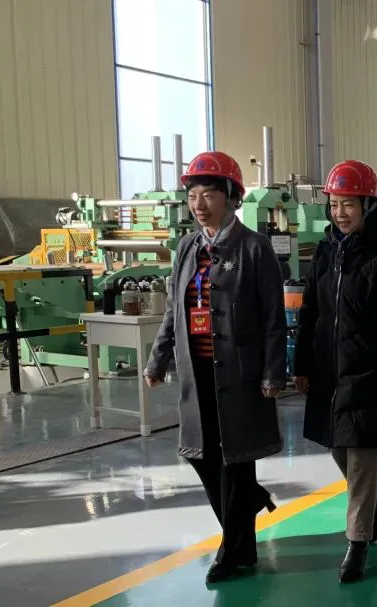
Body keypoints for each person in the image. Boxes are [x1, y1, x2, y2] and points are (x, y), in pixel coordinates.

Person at [143, 151, 285, 583]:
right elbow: (174, 309)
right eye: (192, 195)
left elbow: (273, 316)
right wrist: (158, 359)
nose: (198, 204)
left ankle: (233, 551)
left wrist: (272, 372)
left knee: (236, 461)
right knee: (202, 456)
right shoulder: (187, 247)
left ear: (230, 197)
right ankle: (251, 506)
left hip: (240, 373)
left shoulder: (254, 248)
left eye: (208, 194)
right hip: (197, 371)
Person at [293, 160, 377, 582]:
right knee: (338, 448)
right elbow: (310, 310)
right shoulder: (325, 251)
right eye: (334, 205)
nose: (340, 213)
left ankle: (357, 542)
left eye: (348, 204)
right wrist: (302, 364)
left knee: (363, 459)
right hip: (330, 374)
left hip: (372, 373)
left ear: (368, 205)